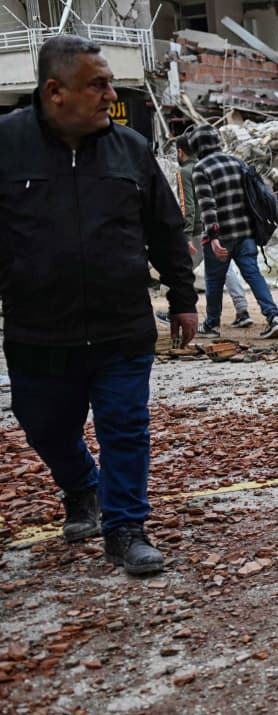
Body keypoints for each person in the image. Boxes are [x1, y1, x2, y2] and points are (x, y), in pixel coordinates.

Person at [0, 35, 197, 575]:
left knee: (125, 425)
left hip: (121, 327)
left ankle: (126, 529)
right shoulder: (6, 144)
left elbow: (166, 228)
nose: (112, 94)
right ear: (55, 92)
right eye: (99, 84)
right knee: (43, 425)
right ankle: (80, 486)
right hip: (37, 330)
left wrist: (184, 298)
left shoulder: (130, 147)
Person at [185, 124, 278, 339]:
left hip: (221, 236)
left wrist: (212, 236)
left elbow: (207, 205)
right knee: (254, 275)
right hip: (246, 233)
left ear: (197, 146)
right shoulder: (237, 162)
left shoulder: (201, 168)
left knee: (214, 281)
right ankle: (273, 317)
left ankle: (212, 324)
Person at [175, 134, 252, 328]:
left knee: (180, 270)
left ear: (180, 152)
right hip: (216, 225)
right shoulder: (205, 167)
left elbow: (187, 206)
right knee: (223, 266)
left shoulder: (184, 171)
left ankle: (176, 310)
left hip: (198, 229)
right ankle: (242, 308)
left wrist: (186, 234)